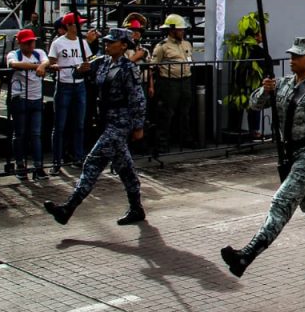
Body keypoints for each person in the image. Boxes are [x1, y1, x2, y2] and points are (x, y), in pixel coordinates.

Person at [222, 37, 305, 280]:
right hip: (290, 155)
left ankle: (247, 255)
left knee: (281, 203)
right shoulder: (284, 85)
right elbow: (255, 105)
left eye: (297, 56)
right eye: (291, 55)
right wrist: (264, 89)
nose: (292, 60)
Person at [43, 28, 147, 226]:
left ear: (124, 45)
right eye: (106, 42)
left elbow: (138, 99)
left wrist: (138, 126)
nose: (107, 45)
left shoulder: (128, 68)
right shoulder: (102, 62)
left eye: (112, 42)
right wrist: (80, 69)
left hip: (120, 122)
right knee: (125, 167)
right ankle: (136, 208)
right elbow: (82, 71)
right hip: (106, 119)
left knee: (93, 162)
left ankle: (68, 208)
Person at [40, 12, 97, 172]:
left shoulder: (82, 42)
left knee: (79, 124)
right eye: (78, 24)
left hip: (79, 85)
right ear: (70, 26)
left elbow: (90, 60)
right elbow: (51, 62)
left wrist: (86, 67)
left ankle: (78, 156)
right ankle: (56, 161)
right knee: (60, 125)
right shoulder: (58, 43)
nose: (81, 27)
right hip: (64, 84)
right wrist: (53, 67)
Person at [7, 29, 48, 179]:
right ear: (21, 44)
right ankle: (20, 165)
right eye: (28, 42)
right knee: (20, 134)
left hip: (36, 98)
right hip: (20, 98)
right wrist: (35, 67)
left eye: (32, 41)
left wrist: (42, 66)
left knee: (36, 134)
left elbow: (46, 60)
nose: (31, 45)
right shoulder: (14, 54)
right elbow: (13, 64)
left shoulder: (39, 53)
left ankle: (38, 165)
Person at [149, 14, 194, 152]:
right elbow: (152, 66)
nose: (182, 32)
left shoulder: (187, 44)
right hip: (169, 83)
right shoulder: (162, 46)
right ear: (172, 30)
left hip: (185, 80)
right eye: (180, 30)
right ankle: (162, 143)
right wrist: (153, 85)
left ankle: (185, 139)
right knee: (166, 113)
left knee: (185, 112)